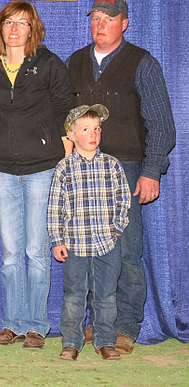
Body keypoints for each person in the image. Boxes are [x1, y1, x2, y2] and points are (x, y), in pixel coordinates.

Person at [67, 0, 176, 354]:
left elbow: (161, 125)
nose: (100, 25)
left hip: (127, 168)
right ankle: (97, 324)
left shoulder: (142, 63)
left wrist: (151, 171)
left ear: (124, 23)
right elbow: (64, 119)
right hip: (84, 169)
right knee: (86, 248)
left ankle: (126, 326)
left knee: (126, 249)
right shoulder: (76, 62)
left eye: (109, 19)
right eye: (96, 18)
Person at [0, 1, 73, 350]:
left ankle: (36, 326)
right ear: (0, 27)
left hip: (42, 168)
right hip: (2, 167)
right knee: (10, 252)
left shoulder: (48, 64)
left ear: (33, 29)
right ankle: (12, 324)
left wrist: (65, 158)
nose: (14, 29)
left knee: (36, 250)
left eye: (22, 23)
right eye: (9, 22)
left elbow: (66, 110)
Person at [47, 105, 131, 361]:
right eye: (85, 129)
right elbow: (55, 207)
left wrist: (115, 231)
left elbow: (123, 200)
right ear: (71, 135)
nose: (93, 134)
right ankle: (72, 341)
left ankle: (105, 340)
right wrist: (57, 240)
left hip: (107, 244)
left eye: (96, 129)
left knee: (106, 295)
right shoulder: (64, 168)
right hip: (75, 245)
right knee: (74, 295)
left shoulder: (112, 165)